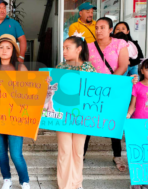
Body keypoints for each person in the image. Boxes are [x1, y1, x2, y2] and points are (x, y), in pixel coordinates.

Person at [85, 17, 138, 172]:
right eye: (96, 27)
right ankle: (81, 154)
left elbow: (123, 66)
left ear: (110, 30)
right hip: (94, 91)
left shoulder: (120, 44)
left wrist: (108, 85)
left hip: (114, 89)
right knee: (88, 121)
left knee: (114, 122)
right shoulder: (88, 47)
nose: (98, 30)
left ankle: (117, 155)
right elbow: (84, 67)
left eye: (102, 27)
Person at [55, 33, 96, 189]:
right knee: (64, 151)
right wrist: (48, 81)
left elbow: (98, 90)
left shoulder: (89, 68)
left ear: (79, 49)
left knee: (78, 151)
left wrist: (129, 81)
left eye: (68, 48)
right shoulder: (60, 67)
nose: (64, 51)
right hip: (63, 116)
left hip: (82, 117)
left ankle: (77, 183)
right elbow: (54, 89)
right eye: (63, 48)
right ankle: (64, 185)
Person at [0, 34, 29, 189]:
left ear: (13, 51)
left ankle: (24, 181)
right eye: (1, 47)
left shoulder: (20, 68)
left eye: (8, 47)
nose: (4, 50)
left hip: (16, 118)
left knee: (16, 154)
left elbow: (30, 91)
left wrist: (44, 83)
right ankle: (7, 179)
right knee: (1, 152)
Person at [127, 58, 148, 189]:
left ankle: (145, 179)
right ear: (142, 70)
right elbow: (132, 105)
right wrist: (128, 115)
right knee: (137, 152)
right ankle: (137, 181)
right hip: (137, 124)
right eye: (147, 68)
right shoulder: (137, 86)